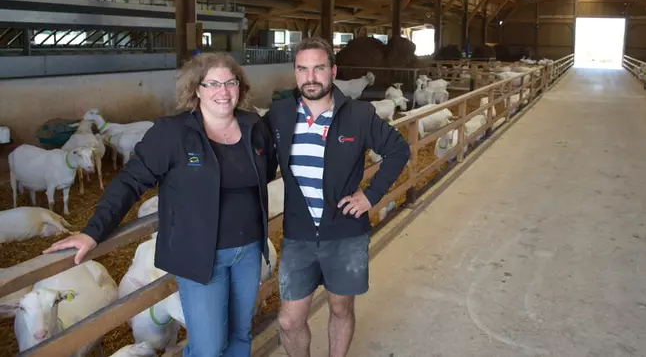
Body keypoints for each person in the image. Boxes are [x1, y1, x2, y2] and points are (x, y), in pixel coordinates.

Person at [44, 52, 277, 357]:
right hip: (200, 257)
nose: (223, 91)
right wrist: (92, 231)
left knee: (240, 335)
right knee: (209, 346)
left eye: (230, 82)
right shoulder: (173, 133)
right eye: (212, 84)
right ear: (196, 89)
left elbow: (266, 170)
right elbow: (130, 180)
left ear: (240, 86)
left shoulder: (253, 125)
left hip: (247, 251)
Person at [264, 37, 410, 357]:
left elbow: (399, 150)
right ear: (295, 73)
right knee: (289, 320)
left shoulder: (358, 114)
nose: (311, 76)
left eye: (318, 68)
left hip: (345, 232)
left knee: (341, 308)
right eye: (303, 69)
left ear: (333, 71)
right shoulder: (280, 114)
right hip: (298, 234)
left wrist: (371, 196)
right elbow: (252, 156)